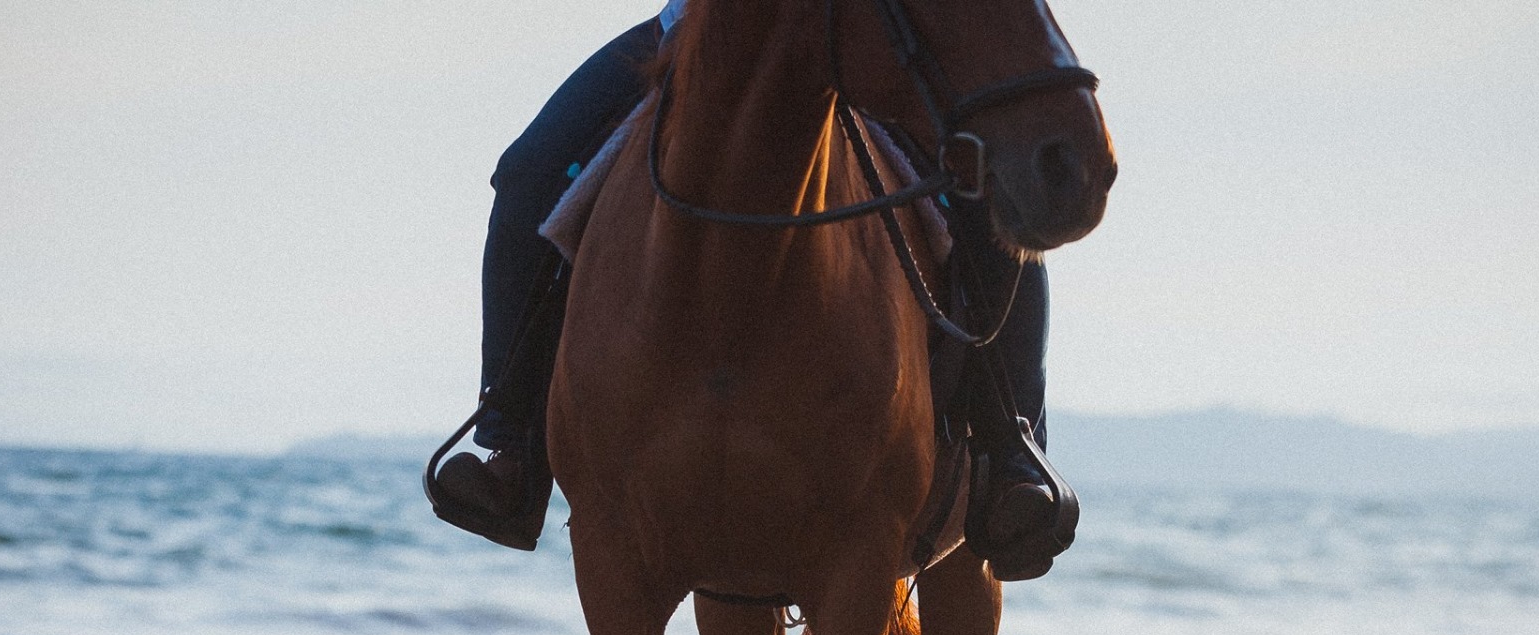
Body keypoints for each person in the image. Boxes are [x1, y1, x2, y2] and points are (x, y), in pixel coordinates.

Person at [433, 1, 1072, 579]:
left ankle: (1008, 449)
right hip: (697, 31)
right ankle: (511, 443)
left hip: (862, 27)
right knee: (527, 178)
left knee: (988, 174)